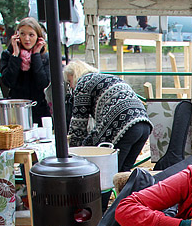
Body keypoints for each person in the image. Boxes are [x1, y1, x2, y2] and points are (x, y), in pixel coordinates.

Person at [63, 60, 153, 208]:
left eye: (69, 81)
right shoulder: (106, 78)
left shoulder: (83, 83)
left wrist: (73, 153)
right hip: (143, 124)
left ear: (74, 75)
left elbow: (78, 122)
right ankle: (129, 211)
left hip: (122, 124)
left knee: (105, 176)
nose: (70, 86)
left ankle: (100, 215)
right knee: (124, 176)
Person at [0, 17, 51, 123]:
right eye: (23, 34)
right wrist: (15, 55)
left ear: (38, 37)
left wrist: (36, 55)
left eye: (31, 35)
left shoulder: (43, 57)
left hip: (38, 108)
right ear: (17, 35)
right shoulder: (8, 55)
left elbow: (43, 83)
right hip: (15, 109)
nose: (26, 39)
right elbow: (8, 82)